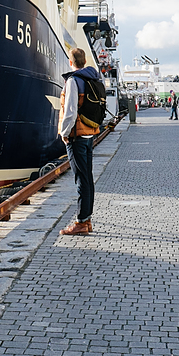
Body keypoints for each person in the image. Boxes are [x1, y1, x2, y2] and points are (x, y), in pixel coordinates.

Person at [57, 48, 100, 236]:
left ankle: (81, 223)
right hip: (89, 134)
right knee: (87, 177)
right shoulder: (92, 79)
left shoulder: (73, 81)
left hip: (76, 136)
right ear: (84, 61)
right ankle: (87, 219)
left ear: (70, 62)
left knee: (81, 179)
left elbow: (70, 111)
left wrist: (64, 133)